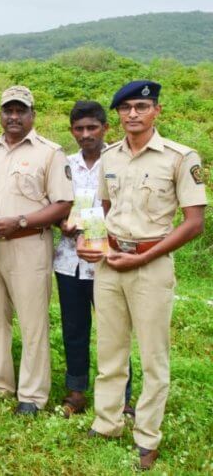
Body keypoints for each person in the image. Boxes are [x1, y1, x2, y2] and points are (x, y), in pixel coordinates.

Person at [78, 81, 206, 471]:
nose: (132, 113)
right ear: (117, 114)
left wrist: (142, 258)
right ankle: (107, 422)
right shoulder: (111, 157)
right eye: (125, 108)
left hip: (151, 263)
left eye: (141, 106)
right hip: (110, 260)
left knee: (153, 357)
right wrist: (91, 239)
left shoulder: (179, 158)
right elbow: (102, 206)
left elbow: (194, 223)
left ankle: (147, 437)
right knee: (110, 351)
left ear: (157, 111)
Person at [0, 85, 72, 415]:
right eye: (8, 110)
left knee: (32, 322)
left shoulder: (50, 152)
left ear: (32, 115)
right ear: (0, 113)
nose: (13, 116)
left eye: (20, 110)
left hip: (27, 246)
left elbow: (63, 204)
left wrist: (22, 221)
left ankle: (32, 395)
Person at [53, 101, 134, 418]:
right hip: (68, 261)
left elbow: (128, 206)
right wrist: (62, 223)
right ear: (72, 130)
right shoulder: (65, 163)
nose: (85, 134)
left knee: (113, 331)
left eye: (92, 128)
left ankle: (121, 398)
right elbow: (57, 203)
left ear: (105, 128)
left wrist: (96, 229)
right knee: (74, 329)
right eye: (79, 128)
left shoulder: (120, 160)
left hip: (108, 260)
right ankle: (76, 392)